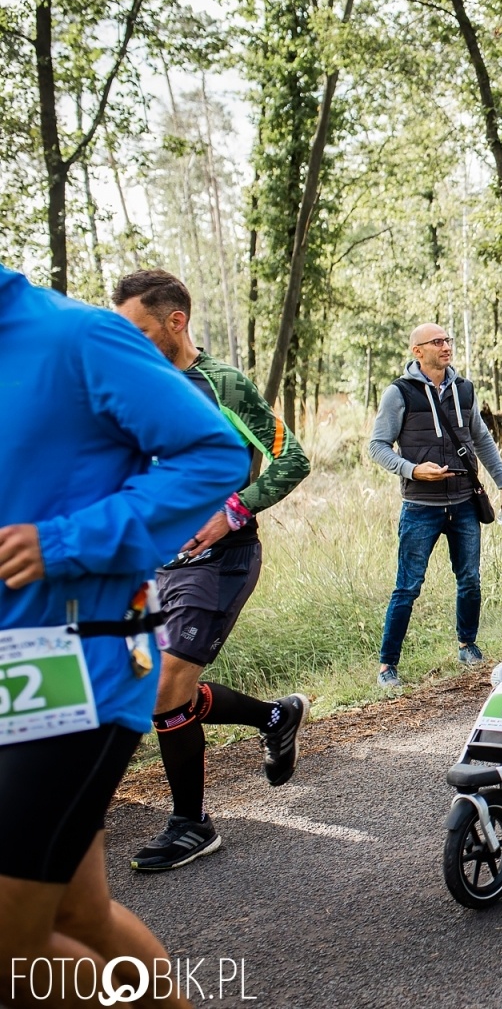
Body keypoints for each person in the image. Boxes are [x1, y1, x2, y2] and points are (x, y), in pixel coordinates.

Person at [0, 263, 244, 1005]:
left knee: (10, 950)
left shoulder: (76, 335)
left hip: (68, 662)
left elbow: (217, 453)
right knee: (76, 913)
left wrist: (68, 541)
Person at [110, 270, 313, 873]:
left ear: (176, 322)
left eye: (141, 331)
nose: (131, 345)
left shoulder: (220, 385)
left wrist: (233, 511)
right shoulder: (129, 387)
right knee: (146, 687)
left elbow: (291, 456)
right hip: (152, 565)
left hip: (218, 560)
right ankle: (274, 715)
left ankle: (191, 825)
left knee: (164, 685)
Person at [368, 323, 502, 686]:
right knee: (408, 585)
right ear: (418, 351)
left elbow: (481, 438)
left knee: (469, 579)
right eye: (437, 342)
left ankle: (468, 645)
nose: (446, 346)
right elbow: (377, 446)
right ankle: (388, 665)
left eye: (448, 340)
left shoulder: (464, 389)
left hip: (465, 501)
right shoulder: (398, 393)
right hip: (420, 506)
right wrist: (414, 470)